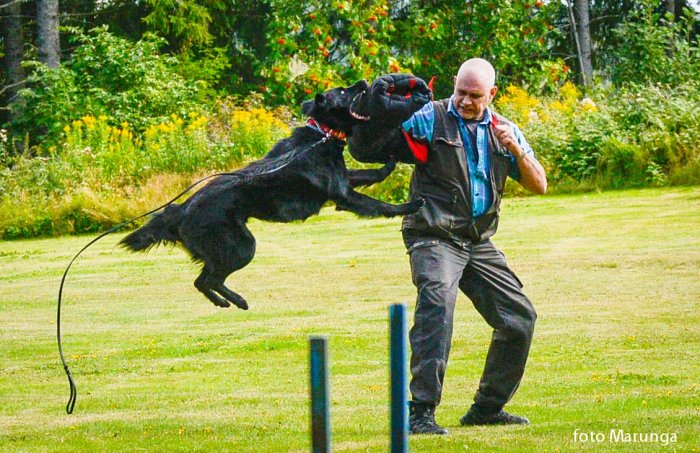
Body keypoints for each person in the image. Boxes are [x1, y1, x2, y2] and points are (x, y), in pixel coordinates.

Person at [353, 58, 547, 435]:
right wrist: (372, 116)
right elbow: (373, 146)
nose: (466, 101)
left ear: (491, 94)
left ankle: (487, 408)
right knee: (437, 304)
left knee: (519, 319)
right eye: (461, 92)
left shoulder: (504, 129)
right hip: (432, 232)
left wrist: (517, 152)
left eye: (475, 96)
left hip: (477, 240)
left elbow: (539, 184)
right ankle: (421, 412)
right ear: (454, 85)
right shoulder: (431, 116)